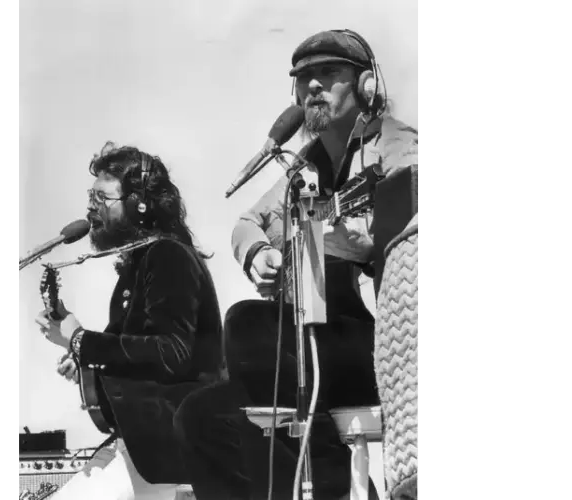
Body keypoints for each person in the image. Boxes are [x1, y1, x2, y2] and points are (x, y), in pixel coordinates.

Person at [174, 29, 419, 499]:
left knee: (246, 323)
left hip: (379, 338)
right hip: (312, 341)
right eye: (304, 77)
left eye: (329, 74)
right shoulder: (301, 166)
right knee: (200, 413)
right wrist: (261, 252)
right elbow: (247, 222)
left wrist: (369, 242)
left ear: (366, 84)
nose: (313, 86)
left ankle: (336, 488)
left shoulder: (395, 143)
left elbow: (411, 208)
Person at [36, 141, 225, 500]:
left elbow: (171, 352)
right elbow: (132, 353)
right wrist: (85, 362)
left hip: (166, 447)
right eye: (91, 198)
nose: (92, 209)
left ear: (139, 204)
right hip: (143, 445)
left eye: (103, 199)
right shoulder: (139, 265)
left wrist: (79, 339)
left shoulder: (169, 256)